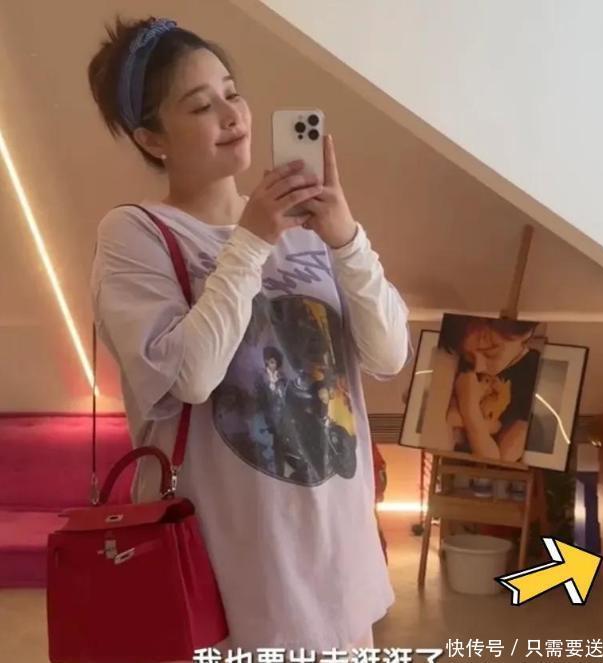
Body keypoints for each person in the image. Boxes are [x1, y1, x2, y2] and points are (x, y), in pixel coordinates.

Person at [87, 15, 412, 657]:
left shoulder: (309, 229)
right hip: (234, 587)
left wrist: (346, 239)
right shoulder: (136, 235)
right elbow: (192, 376)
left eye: (232, 93)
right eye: (200, 105)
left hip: (340, 572)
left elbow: (389, 354)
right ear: (152, 138)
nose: (231, 114)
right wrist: (253, 239)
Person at [442, 316, 541, 462]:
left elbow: (500, 459)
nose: (478, 367)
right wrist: (490, 427)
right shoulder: (465, 363)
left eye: (490, 352)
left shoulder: (535, 371)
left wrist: (469, 408)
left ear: (523, 335)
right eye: (468, 356)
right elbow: (451, 417)